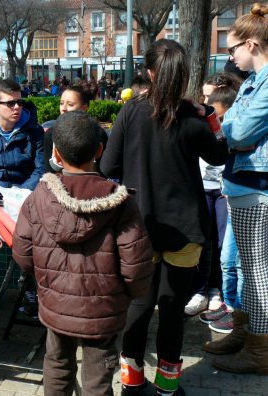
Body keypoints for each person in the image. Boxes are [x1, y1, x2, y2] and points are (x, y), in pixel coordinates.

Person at [100, 39, 228, 395]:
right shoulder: (195, 117)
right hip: (186, 229)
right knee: (173, 312)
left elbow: (108, 165)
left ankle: (131, 383)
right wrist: (211, 115)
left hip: (138, 227)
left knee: (138, 308)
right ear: (182, 73)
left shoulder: (131, 112)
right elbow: (220, 155)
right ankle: (168, 388)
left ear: (150, 72)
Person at [12, 111, 154, 396]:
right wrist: (128, 297)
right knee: (99, 377)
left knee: (57, 366)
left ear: (55, 153)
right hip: (103, 309)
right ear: (99, 151)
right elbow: (136, 264)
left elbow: (23, 253)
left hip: (56, 305)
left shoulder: (38, 196)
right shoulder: (119, 201)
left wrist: (46, 282)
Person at [206, 3, 268, 375]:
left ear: (253, 45)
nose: (231, 58)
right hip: (244, 183)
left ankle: (260, 351)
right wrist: (229, 132)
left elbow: (238, 131)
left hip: (255, 187)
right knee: (247, 268)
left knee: (257, 272)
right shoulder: (255, 82)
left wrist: (224, 131)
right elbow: (235, 132)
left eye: (233, 49)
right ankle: (247, 335)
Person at [185, 79, 240, 317]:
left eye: (210, 98)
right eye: (204, 97)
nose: (206, 102)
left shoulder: (232, 122)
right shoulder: (201, 118)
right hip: (204, 185)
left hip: (225, 187)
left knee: (221, 243)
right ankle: (201, 290)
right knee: (204, 240)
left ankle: (216, 290)